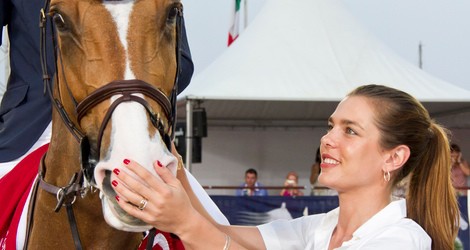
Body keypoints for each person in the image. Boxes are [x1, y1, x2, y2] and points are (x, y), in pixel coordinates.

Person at [111, 84, 459, 249]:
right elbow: (226, 235)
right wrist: (176, 169)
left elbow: (211, 236)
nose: (328, 139)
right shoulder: (322, 228)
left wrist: (183, 221)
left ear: (393, 158)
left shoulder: (400, 241)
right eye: (331, 125)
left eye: (350, 130)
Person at [0, 0, 194, 177]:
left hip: (132, 121)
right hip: (29, 126)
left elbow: (181, 62)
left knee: (206, 213)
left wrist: (125, 94)